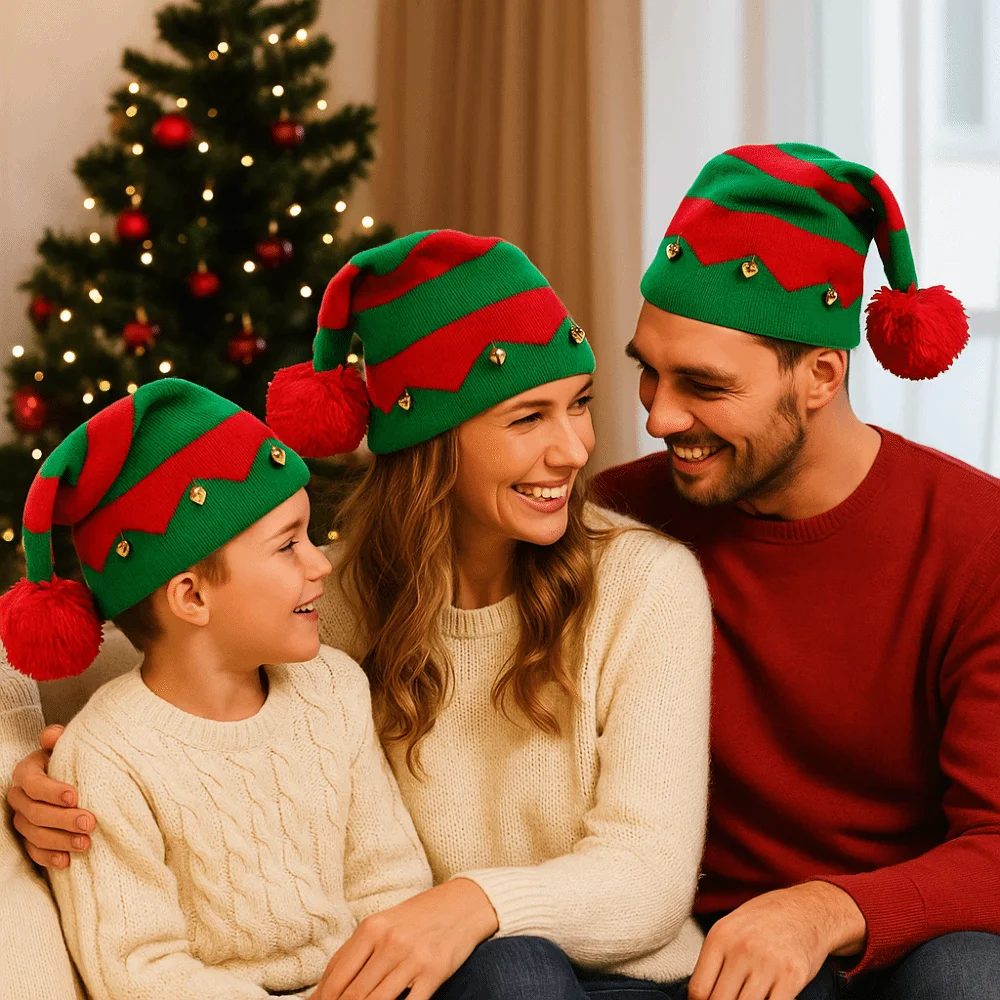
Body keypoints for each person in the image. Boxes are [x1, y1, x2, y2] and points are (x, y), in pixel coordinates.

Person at [6, 230, 714, 1000]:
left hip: (619, 977)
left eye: (579, 404)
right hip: (452, 978)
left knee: (518, 969)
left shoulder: (648, 584)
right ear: (433, 443)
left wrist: (469, 905)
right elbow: (174, 662)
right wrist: (42, 777)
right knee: (514, 973)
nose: (577, 448)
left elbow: (649, 881)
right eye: (528, 419)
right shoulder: (327, 606)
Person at [589, 143, 1000, 1000]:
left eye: (703, 385)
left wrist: (823, 909)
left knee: (973, 975)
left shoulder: (976, 539)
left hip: (894, 936)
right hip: (686, 946)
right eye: (648, 373)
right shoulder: (614, 520)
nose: (661, 417)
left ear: (821, 374)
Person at [0, 378, 432, 1000]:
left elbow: (390, 881)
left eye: (309, 535)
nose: (321, 565)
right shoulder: (105, 758)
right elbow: (139, 970)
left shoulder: (333, 689)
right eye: (288, 546)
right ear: (191, 596)